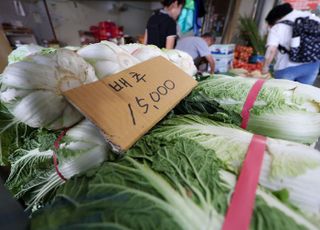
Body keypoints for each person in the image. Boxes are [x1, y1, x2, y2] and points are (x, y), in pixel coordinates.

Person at [262, 3, 320, 85]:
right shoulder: (314, 19)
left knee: (281, 95)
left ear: (275, 18)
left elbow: (271, 50)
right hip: (313, 66)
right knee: (302, 96)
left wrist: (265, 67)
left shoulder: (278, 27)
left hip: (286, 67)